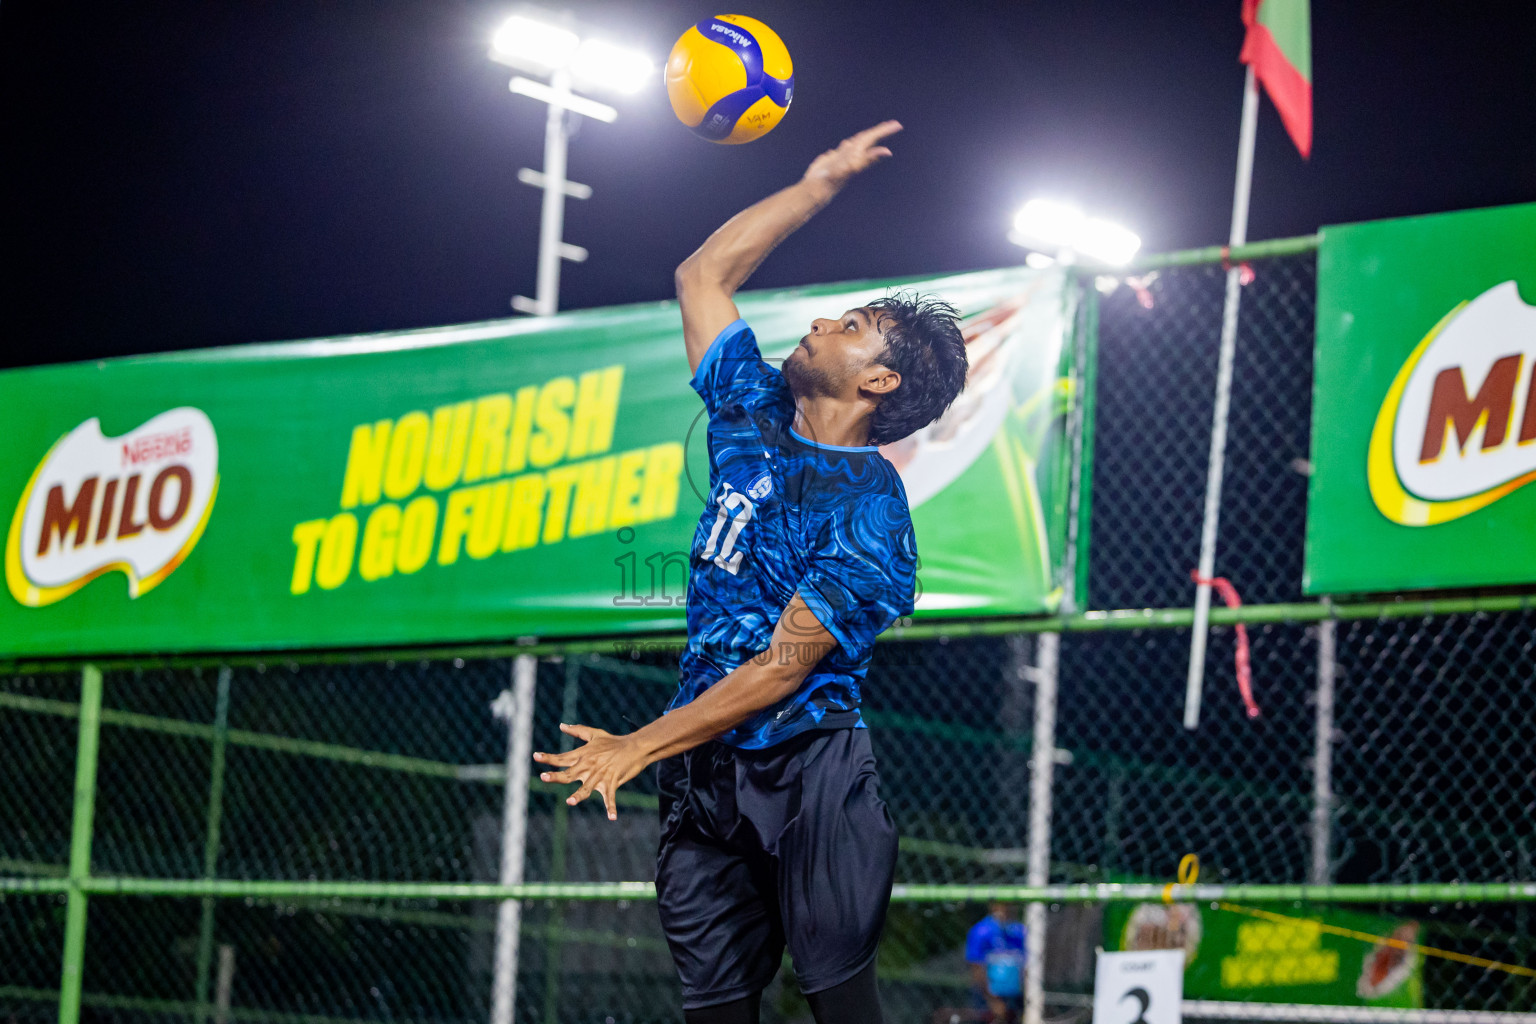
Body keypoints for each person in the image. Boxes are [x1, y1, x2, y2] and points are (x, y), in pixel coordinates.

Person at [531, 120, 969, 1024]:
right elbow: (702, 275)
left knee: (839, 1005)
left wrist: (638, 744)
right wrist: (817, 186)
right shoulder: (751, 407)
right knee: (716, 1008)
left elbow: (780, 668)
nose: (819, 323)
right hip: (706, 770)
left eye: (851, 328)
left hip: (810, 776)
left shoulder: (870, 508)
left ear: (880, 384)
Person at [966, 903, 1027, 1023]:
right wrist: (993, 1001)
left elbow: (1026, 967)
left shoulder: (1020, 932)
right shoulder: (981, 931)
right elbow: (976, 968)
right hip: (988, 994)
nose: (1008, 909)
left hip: (1014, 994)